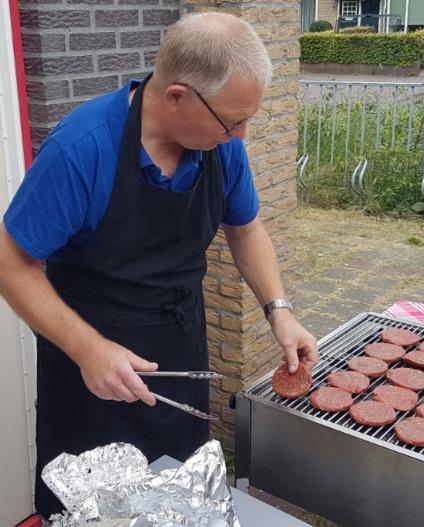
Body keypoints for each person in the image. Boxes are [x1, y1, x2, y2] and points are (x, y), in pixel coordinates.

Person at [0, 12, 318, 518]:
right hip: (90, 362)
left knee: (181, 495)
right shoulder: (81, 149)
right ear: (176, 95)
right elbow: (12, 265)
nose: (240, 135)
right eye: (232, 120)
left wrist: (278, 310)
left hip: (178, 342)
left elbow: (246, 227)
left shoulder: (220, 147)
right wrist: (89, 349)